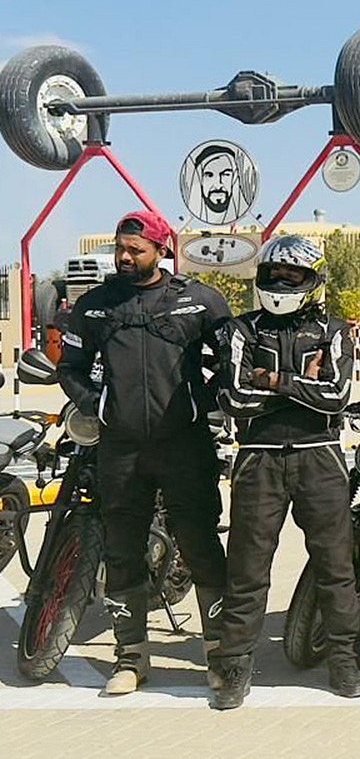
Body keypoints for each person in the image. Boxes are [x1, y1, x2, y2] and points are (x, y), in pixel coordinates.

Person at [58, 211, 230, 695]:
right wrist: (100, 406)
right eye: (120, 248)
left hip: (186, 445)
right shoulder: (95, 305)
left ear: (161, 249)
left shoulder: (199, 301)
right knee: (122, 550)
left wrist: (205, 401)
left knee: (201, 546)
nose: (125, 257)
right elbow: (69, 367)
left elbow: (234, 360)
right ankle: (130, 658)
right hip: (122, 448)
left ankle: (220, 654)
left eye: (136, 249)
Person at [209, 235, 360, 709]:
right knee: (248, 568)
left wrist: (273, 380)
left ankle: (345, 658)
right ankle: (234, 663)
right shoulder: (242, 330)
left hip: (321, 456)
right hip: (257, 456)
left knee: (335, 566)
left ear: (312, 279)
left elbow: (337, 396)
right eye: (274, 273)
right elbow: (233, 399)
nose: (281, 281)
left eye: (292, 275)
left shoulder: (333, 331)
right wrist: (304, 386)